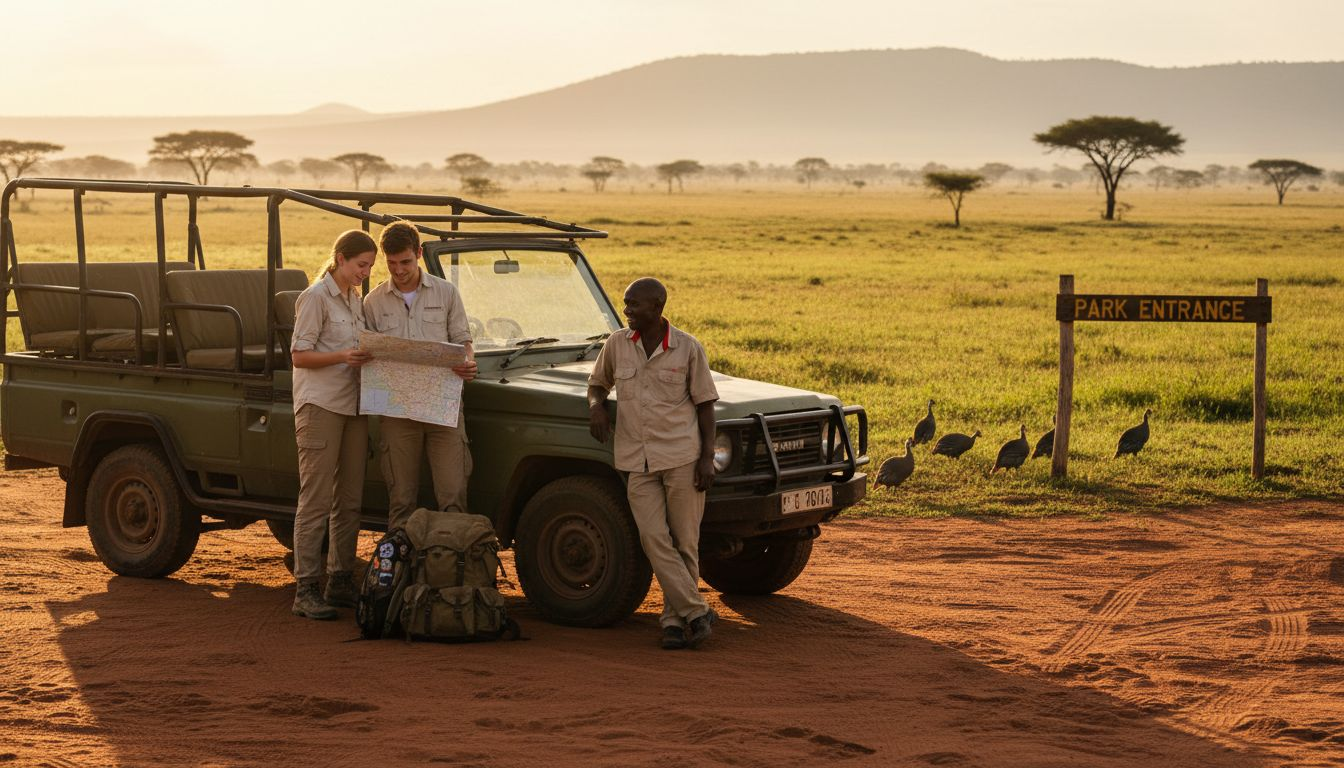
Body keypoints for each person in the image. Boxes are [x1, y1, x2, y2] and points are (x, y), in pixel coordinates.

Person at [587, 277, 719, 650]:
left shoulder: (687, 348)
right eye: (626, 304)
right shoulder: (616, 344)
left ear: (657, 307)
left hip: (681, 457)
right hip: (636, 459)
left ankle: (675, 623)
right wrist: (596, 406)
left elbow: (706, 406)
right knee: (652, 538)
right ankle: (697, 611)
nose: (626, 311)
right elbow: (597, 383)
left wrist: (707, 459)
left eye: (634, 305)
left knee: (685, 542)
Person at [363, 221, 478, 531]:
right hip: (398, 414)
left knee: (453, 495)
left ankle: (451, 572)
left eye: (405, 262)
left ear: (418, 254)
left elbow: (464, 340)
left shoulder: (447, 292)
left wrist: (468, 362)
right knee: (401, 498)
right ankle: (401, 575)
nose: (399, 270)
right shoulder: (372, 302)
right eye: (391, 263)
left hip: (444, 409)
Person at [288, 230, 376, 620]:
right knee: (316, 500)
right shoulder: (315, 298)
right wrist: (344, 355)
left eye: (370, 266)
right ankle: (305, 588)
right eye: (361, 265)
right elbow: (299, 355)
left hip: (353, 406)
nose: (365, 272)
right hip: (320, 405)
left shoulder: (355, 300)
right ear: (340, 259)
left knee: (350, 499)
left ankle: (339, 579)